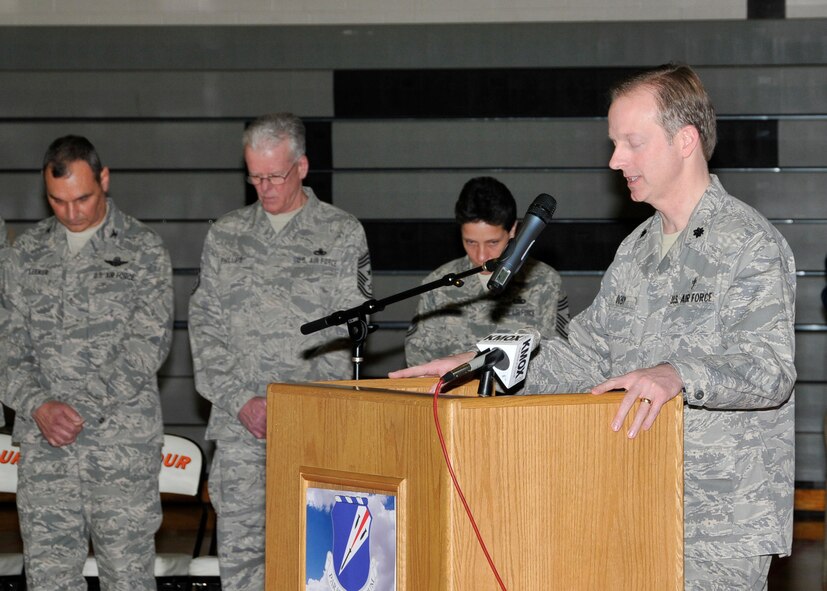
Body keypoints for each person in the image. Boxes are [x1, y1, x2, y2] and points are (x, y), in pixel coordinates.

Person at [391, 64, 796, 590]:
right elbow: (581, 355)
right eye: (613, 143)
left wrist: (678, 373)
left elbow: (770, 371)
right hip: (630, 502)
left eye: (632, 142)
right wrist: (485, 362)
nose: (614, 160)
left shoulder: (749, 244)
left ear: (685, 141)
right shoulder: (635, 251)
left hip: (717, 522)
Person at [189, 112, 373, 591]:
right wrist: (240, 400)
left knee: (315, 565)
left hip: (313, 429)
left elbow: (351, 331)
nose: (264, 187)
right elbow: (204, 328)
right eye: (254, 176)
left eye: (274, 175)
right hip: (240, 429)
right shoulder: (225, 235)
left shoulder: (341, 232)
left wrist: (295, 408)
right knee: (244, 568)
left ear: (303, 167)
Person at [3, 135, 174, 590]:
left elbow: (147, 345)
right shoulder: (25, 255)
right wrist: (39, 405)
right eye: (58, 201)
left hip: (120, 448)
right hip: (45, 450)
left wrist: (75, 407)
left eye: (83, 198)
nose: (72, 213)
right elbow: (6, 345)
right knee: (49, 579)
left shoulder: (143, 249)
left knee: (128, 578)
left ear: (104, 179)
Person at [404, 176, 569, 383]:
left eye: (492, 242)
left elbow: (560, 356)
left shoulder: (545, 282)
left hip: (520, 406)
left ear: (513, 231)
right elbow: (418, 360)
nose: (481, 256)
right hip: (454, 403)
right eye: (470, 242)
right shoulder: (439, 284)